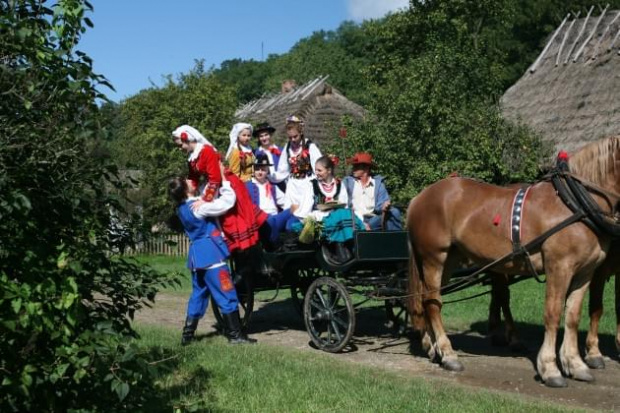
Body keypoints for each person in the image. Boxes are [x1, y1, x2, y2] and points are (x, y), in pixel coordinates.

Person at [168, 175, 256, 345]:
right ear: (186, 190)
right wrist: (224, 181)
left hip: (197, 257)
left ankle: (187, 335)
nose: (190, 180)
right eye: (187, 182)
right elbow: (227, 203)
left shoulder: (182, 208)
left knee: (198, 295)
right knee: (227, 292)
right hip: (211, 255)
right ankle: (235, 335)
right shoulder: (198, 207)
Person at [171, 124, 267, 253]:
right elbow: (193, 179)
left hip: (226, 183)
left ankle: (248, 251)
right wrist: (189, 197)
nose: (180, 149)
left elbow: (215, 178)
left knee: (232, 220)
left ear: (187, 139)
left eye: (180, 145)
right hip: (213, 186)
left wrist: (205, 199)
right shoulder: (192, 158)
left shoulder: (206, 151)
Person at [294, 155, 364, 262]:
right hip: (321, 218)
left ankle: (351, 247)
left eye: (319, 170)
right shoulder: (312, 185)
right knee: (341, 215)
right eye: (315, 170)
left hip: (338, 216)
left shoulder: (340, 185)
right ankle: (342, 251)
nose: (316, 173)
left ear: (329, 170)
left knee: (345, 214)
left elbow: (344, 204)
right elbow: (305, 209)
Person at [270, 115, 322, 228]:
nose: (293, 140)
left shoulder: (310, 147)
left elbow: (319, 168)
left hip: (307, 186)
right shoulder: (288, 148)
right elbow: (282, 171)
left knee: (305, 215)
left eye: (295, 136)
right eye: (290, 137)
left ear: (301, 133)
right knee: (291, 214)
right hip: (293, 187)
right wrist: (269, 176)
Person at [343, 152, 402, 231]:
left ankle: (396, 241)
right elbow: (342, 202)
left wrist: (385, 206)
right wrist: (360, 223)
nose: (353, 169)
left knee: (394, 212)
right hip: (354, 219)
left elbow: (382, 204)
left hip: (373, 220)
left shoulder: (378, 184)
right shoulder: (347, 182)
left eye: (356, 166)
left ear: (366, 168)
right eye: (353, 166)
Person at [245, 154, 292, 250]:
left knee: (293, 209)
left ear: (267, 170)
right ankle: (278, 246)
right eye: (257, 169)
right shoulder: (248, 186)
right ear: (253, 170)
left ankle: (293, 242)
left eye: (263, 169)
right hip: (261, 220)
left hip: (275, 217)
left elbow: (285, 202)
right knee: (269, 220)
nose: (260, 172)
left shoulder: (273, 186)